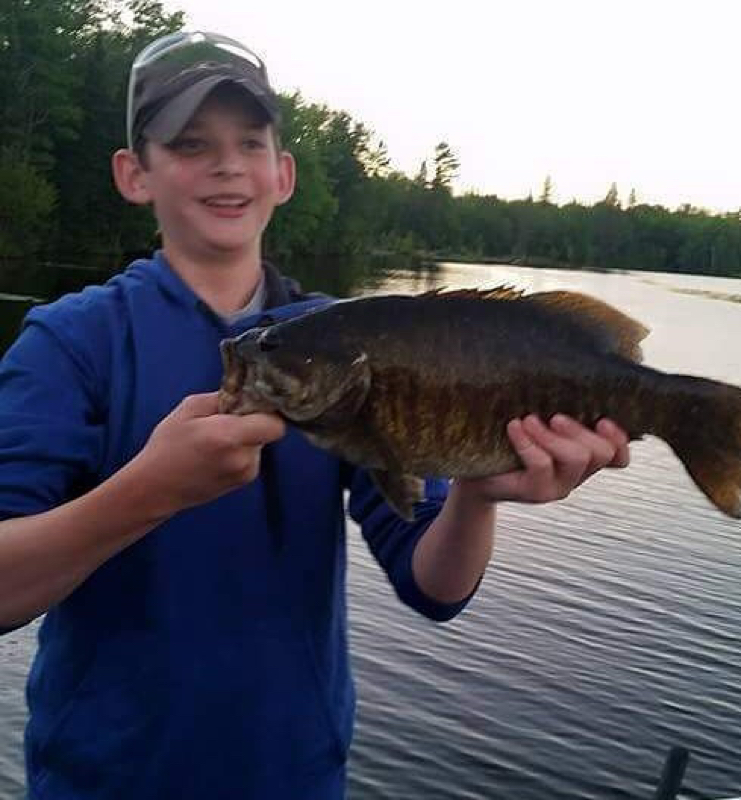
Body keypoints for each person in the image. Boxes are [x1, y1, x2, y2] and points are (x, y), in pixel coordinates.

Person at [0, 31, 630, 800]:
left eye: (251, 142)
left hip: (297, 777)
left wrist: (476, 493)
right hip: (105, 781)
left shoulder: (351, 347)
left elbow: (433, 586)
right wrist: (150, 491)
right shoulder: (71, 342)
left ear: (283, 174)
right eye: (190, 143)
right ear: (136, 174)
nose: (227, 164)